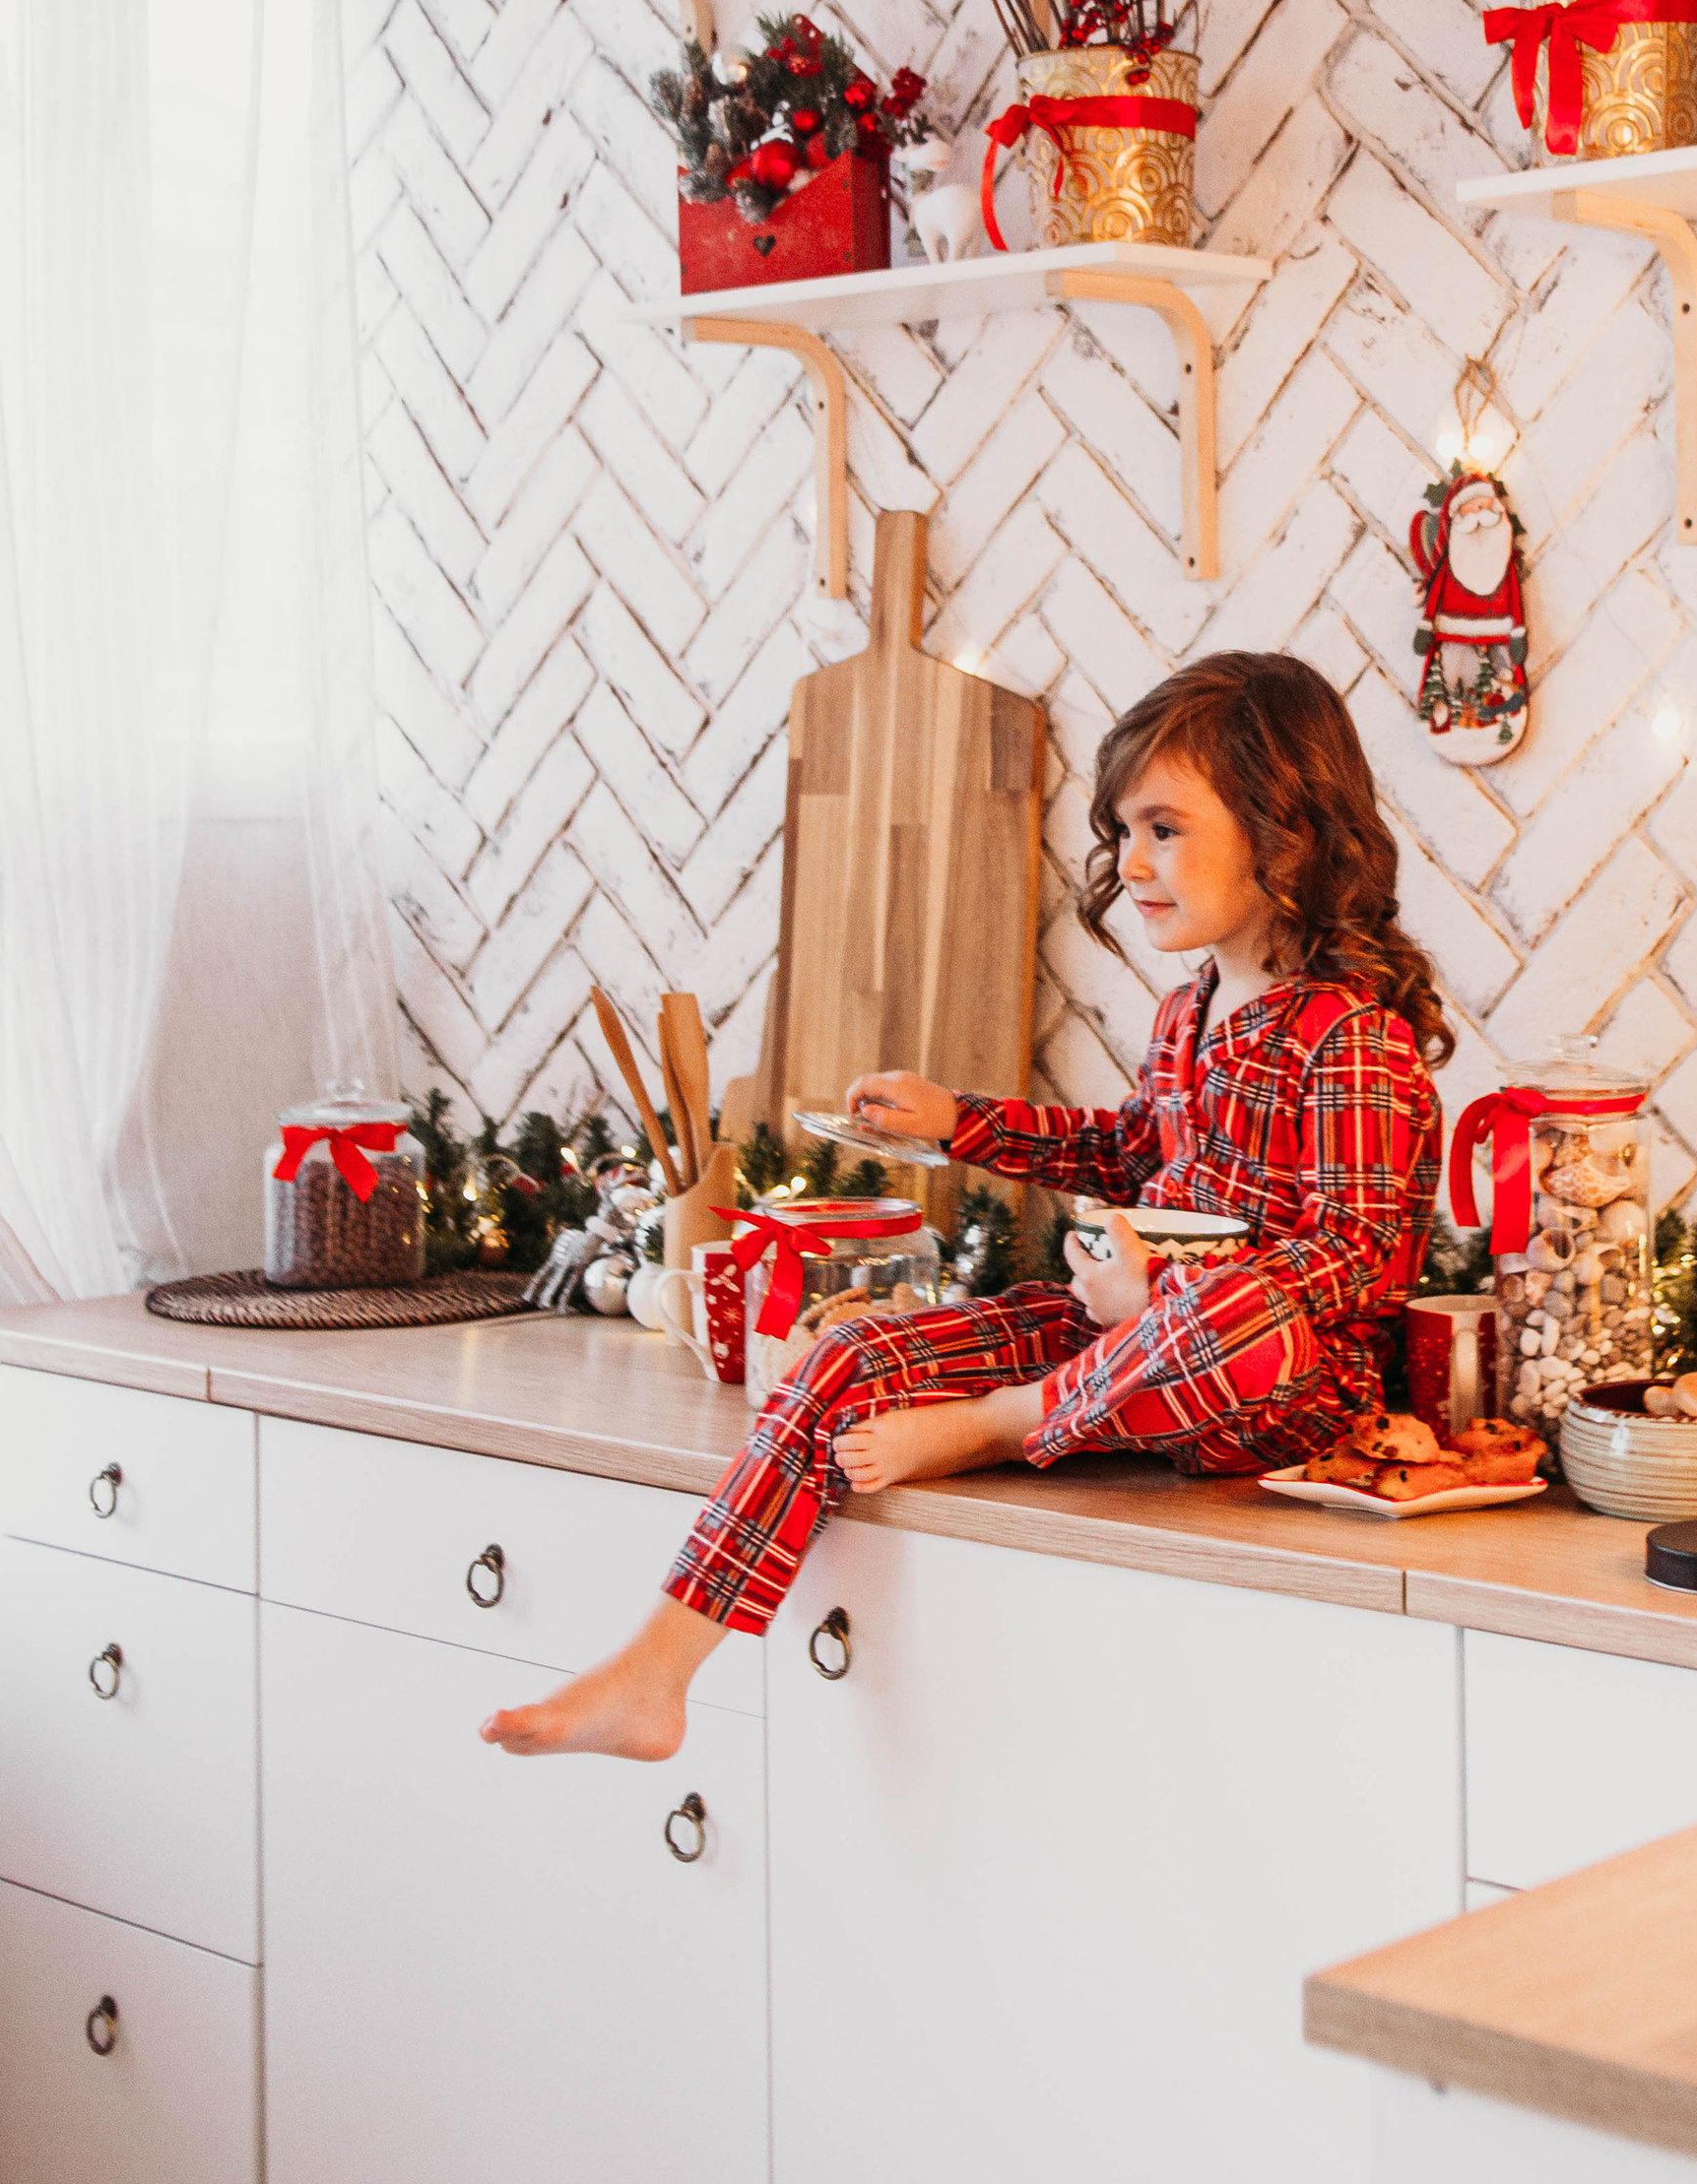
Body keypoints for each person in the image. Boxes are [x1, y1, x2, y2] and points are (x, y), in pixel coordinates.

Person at [485, 649, 1452, 1761]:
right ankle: (657, 1668)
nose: (1130, 863)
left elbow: (1360, 1256)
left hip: (1273, 1383)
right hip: (1123, 1347)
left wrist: (1165, 1288)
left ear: (1284, 827)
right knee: (839, 1363)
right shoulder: (1191, 1009)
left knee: (1235, 1315)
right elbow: (1133, 1149)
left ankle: (999, 1424)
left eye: (1164, 828)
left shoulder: (1348, 1034)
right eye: (1121, 831)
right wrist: (956, 1123)